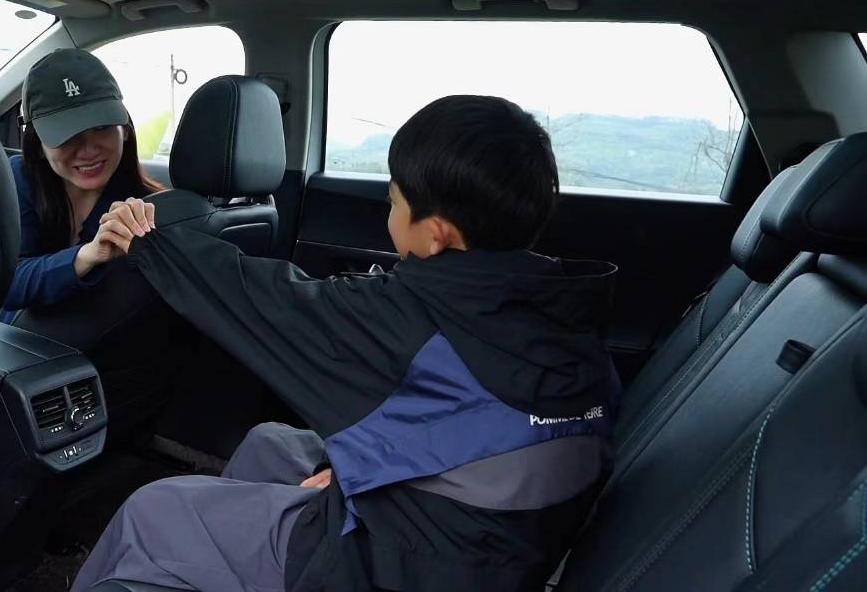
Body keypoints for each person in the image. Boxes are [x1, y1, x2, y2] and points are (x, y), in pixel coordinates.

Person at [73, 95, 621, 592]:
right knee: (270, 443)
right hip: (491, 545)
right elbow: (480, 439)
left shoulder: (410, 327)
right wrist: (364, 469)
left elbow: (264, 304)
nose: (389, 212)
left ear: (435, 235)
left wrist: (148, 243)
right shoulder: (564, 314)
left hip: (398, 565)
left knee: (156, 510)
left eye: (394, 201)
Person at [0, 48, 162, 323]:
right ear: (38, 145)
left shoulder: (146, 209)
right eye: (66, 133)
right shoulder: (18, 181)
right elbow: (4, 282)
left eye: (101, 127)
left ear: (125, 129)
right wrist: (86, 256)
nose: (88, 150)